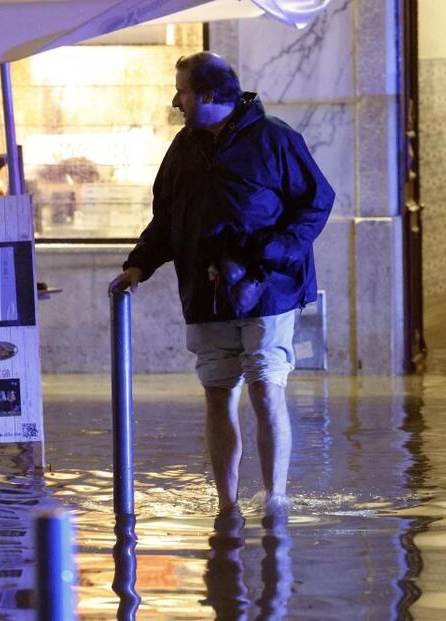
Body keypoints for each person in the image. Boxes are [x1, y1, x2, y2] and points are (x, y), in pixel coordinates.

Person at [109, 52, 334, 515]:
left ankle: (275, 498)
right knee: (217, 393)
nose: (176, 101)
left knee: (265, 389)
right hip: (205, 292)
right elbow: (166, 219)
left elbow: (316, 204)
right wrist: (139, 266)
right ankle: (227, 506)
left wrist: (270, 255)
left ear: (210, 95)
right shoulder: (182, 148)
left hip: (267, 292)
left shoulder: (275, 139)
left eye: (183, 92)